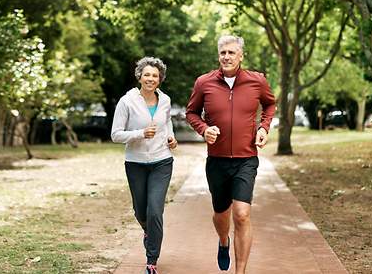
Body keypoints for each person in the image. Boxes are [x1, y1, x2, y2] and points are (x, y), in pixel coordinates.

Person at [186, 35, 276, 273]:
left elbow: (270, 104)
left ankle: (240, 271)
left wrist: (264, 128)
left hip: (246, 159)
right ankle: (223, 241)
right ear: (218, 55)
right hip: (216, 161)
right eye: (223, 52)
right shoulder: (204, 82)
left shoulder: (257, 81)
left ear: (241, 56)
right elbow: (192, 113)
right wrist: (204, 130)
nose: (227, 57)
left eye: (231, 53)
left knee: (242, 214)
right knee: (220, 214)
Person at [111, 57, 178, 274]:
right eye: (147, 74)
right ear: (140, 76)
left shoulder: (165, 100)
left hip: (162, 161)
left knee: (155, 211)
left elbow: (166, 122)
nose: (151, 79)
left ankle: (152, 261)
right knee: (141, 211)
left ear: (160, 80)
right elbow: (115, 135)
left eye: (155, 76)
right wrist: (140, 134)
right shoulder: (127, 101)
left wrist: (171, 138)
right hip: (136, 163)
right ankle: (149, 232)